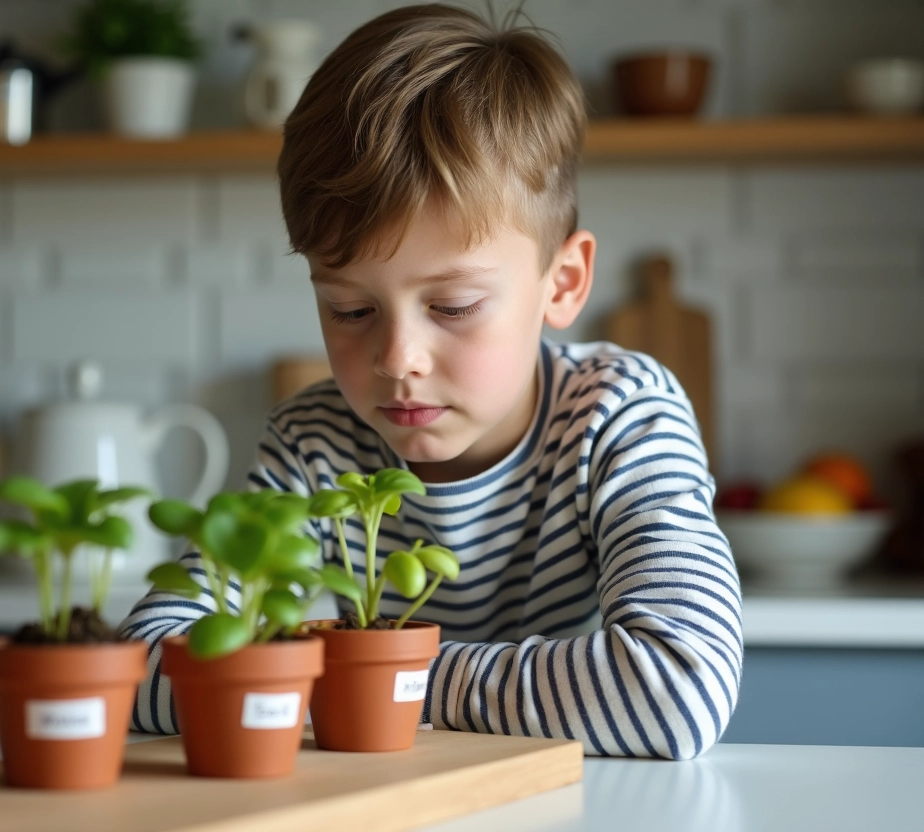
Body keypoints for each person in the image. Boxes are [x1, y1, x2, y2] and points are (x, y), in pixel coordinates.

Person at [118, 4, 741, 760]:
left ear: (563, 282)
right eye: (350, 308)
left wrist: (385, 678)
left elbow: (678, 687)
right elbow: (142, 664)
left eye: (453, 305)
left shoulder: (621, 415)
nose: (396, 357)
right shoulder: (312, 443)